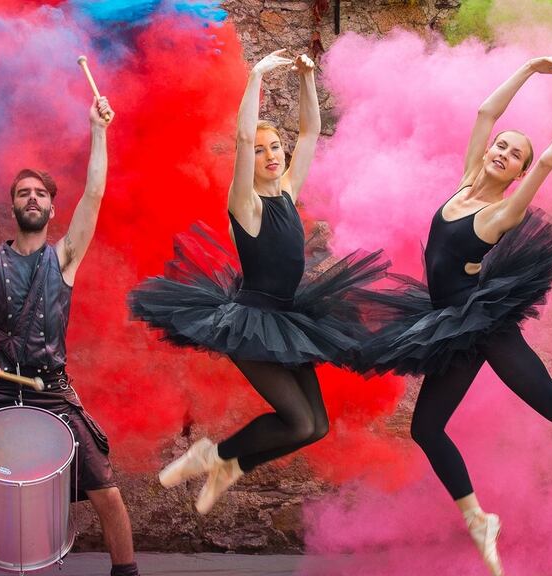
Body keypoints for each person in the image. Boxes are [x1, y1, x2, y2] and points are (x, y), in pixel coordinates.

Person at [357, 58, 552, 576]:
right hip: (447, 324)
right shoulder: (467, 179)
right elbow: (486, 110)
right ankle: (478, 519)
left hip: (481, 326)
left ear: (517, 173)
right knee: (426, 428)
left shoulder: (501, 213)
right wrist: (530, 68)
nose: (503, 153)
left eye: (514, 155)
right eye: (501, 146)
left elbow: (548, 160)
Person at [129, 51, 387, 514]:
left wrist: (309, 78)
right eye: (262, 150)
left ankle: (230, 465)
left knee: (315, 427)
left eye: (275, 148)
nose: (270, 155)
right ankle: (214, 456)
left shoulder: (287, 192)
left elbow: (310, 131)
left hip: (290, 318)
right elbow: (244, 136)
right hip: (251, 323)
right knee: (295, 420)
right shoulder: (245, 204)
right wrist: (256, 77)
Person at [0, 97, 141, 576]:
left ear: (52, 207)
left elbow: (96, 194)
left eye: (40, 194)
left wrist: (97, 130)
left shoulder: (64, 258)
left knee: (108, 493)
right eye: (24, 193)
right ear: (14, 205)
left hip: (55, 391)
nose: (33, 199)